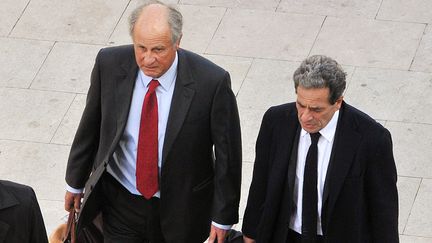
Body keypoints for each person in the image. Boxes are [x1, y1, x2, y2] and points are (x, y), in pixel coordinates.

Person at [63, 1, 242, 242]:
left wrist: (223, 216)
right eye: (141, 48)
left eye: (158, 49)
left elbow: (228, 156)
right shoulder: (109, 64)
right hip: (120, 201)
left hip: (182, 208)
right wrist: (74, 182)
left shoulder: (212, 83)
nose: (148, 59)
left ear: (178, 42)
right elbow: (90, 125)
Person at [242, 55, 399, 242]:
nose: (305, 117)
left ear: (338, 102)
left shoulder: (372, 139)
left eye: (316, 109)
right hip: (286, 235)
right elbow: (260, 183)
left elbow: (383, 211)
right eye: (301, 105)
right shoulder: (276, 121)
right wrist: (250, 234)